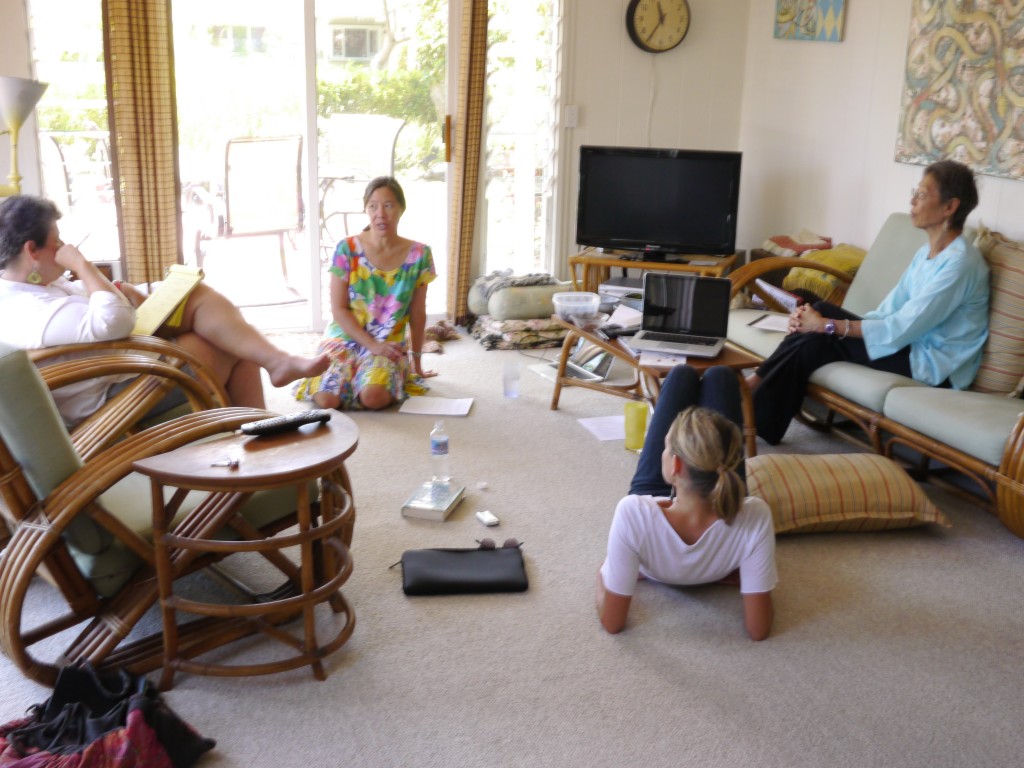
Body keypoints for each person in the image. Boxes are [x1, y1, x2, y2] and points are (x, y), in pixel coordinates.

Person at [0, 194, 329, 426]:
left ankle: (272, 383)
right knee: (225, 346)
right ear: (33, 250)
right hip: (109, 400)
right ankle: (259, 435)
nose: (63, 249)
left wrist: (123, 292)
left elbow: (100, 314)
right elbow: (111, 320)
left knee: (197, 297)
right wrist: (82, 265)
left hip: (122, 363)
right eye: (57, 242)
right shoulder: (27, 310)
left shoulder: (36, 286)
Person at [749, 159, 990, 445]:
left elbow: (902, 327)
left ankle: (750, 401)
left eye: (923, 194)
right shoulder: (927, 253)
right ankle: (752, 399)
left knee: (818, 337)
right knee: (821, 313)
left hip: (933, 364)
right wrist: (819, 322)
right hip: (909, 345)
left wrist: (828, 326)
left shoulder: (959, 264)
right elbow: (889, 310)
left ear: (950, 207)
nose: (912, 200)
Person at [596, 365, 777, 640]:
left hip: (659, 494)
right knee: (721, 375)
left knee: (680, 374)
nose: (663, 451)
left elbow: (612, 622)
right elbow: (758, 629)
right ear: (729, 461)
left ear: (676, 464)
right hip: (721, 492)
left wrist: (604, 572)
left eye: (667, 448)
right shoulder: (755, 513)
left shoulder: (632, 512)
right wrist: (738, 570)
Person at [294, 176, 437, 410]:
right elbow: (338, 309)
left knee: (373, 397)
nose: (381, 213)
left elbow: (418, 313)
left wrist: (417, 363)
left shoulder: (420, 255)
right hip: (344, 337)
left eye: (389, 205)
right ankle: (348, 375)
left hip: (387, 343)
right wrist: (370, 345)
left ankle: (365, 377)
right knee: (328, 399)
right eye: (373, 206)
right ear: (366, 210)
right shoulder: (347, 249)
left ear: (401, 209)